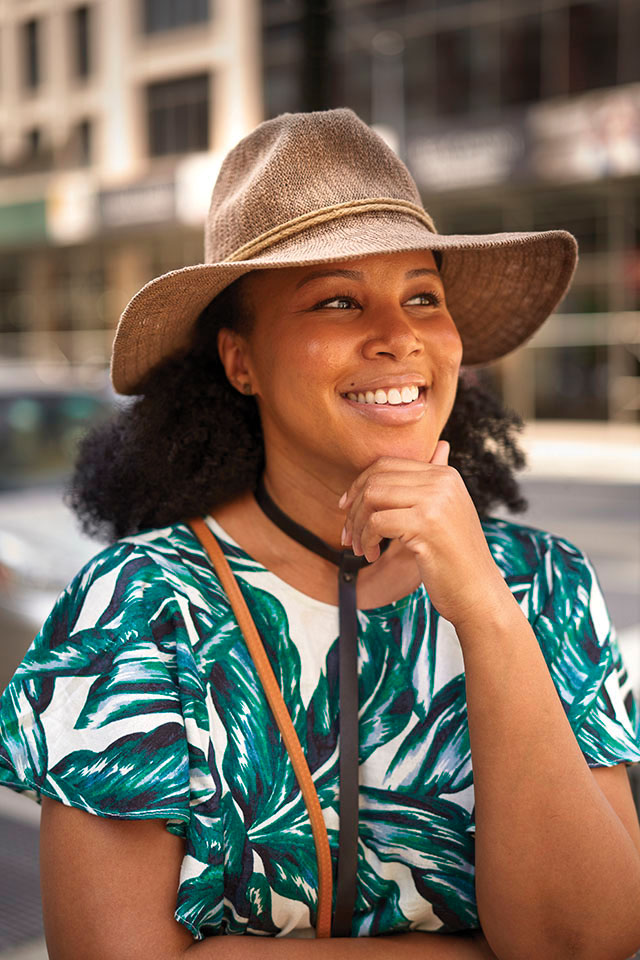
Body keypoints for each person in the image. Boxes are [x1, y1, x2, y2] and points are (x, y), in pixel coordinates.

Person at [1, 108, 639, 960]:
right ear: (241, 361)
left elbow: (588, 942)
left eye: (423, 296)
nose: (398, 335)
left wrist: (486, 610)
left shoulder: (543, 585)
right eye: (338, 300)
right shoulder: (136, 609)